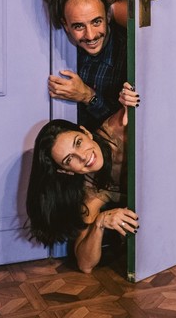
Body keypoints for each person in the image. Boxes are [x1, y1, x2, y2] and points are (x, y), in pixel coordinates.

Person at [26, 92, 139, 273]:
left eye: (78, 142)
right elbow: (86, 265)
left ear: (86, 132)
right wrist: (100, 223)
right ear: (65, 170)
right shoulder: (92, 190)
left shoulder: (120, 126)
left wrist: (133, 95)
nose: (83, 157)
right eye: (69, 159)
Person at [47, 0, 130, 130]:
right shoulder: (60, 51)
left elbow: (124, 125)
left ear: (108, 16)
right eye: (79, 26)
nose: (90, 36)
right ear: (65, 25)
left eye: (96, 22)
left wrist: (88, 96)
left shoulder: (126, 55)